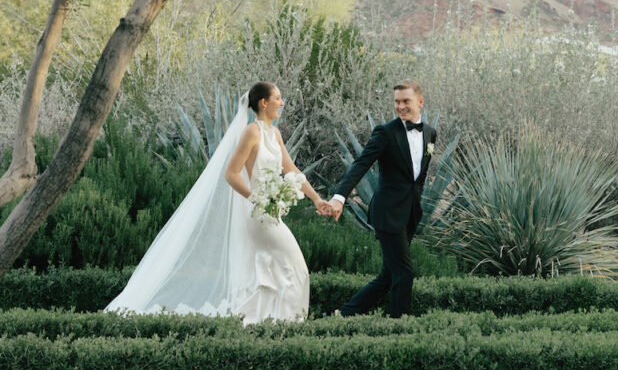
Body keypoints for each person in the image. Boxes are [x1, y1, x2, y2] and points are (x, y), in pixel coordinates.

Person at [105, 81, 329, 323]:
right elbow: (231, 173)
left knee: (276, 272)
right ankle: (286, 324)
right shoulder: (251, 132)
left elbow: (291, 169)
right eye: (278, 98)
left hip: (272, 214)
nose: (282, 103)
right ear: (264, 103)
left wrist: (316, 199)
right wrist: (257, 198)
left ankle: (264, 322)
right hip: (260, 215)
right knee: (295, 268)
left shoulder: (275, 134)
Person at [329, 80, 436, 318]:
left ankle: (343, 315)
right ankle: (399, 329)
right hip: (387, 214)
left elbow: (419, 174)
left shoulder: (430, 134)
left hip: (410, 213)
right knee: (404, 273)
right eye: (397, 102)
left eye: (406, 101)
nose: (400, 106)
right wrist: (340, 196)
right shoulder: (385, 132)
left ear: (420, 102)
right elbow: (361, 164)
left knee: (389, 275)